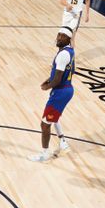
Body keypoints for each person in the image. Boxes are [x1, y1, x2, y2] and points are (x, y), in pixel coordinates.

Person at [28, 28, 75, 163]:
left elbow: (58, 79)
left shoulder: (62, 55)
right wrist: (49, 79)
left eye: (63, 36)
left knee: (45, 124)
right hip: (66, 89)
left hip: (60, 92)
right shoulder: (70, 52)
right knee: (53, 117)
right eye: (59, 34)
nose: (59, 37)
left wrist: (46, 86)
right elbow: (65, 72)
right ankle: (63, 142)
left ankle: (45, 154)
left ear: (69, 39)